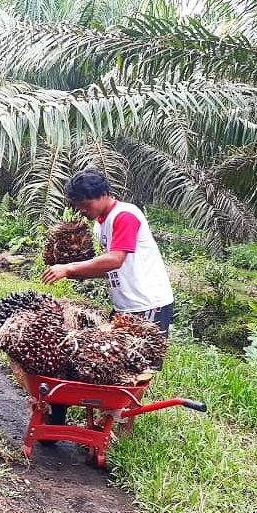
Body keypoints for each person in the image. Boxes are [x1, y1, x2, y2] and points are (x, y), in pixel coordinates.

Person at [39, 167, 175, 435]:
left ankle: (120, 432)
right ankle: (107, 423)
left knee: (134, 369)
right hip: (125, 306)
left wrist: (70, 268)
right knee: (112, 362)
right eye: (77, 206)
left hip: (148, 304)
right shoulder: (102, 222)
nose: (81, 211)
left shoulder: (124, 215)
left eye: (84, 204)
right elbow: (106, 267)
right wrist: (75, 271)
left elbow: (115, 259)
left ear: (103, 194)